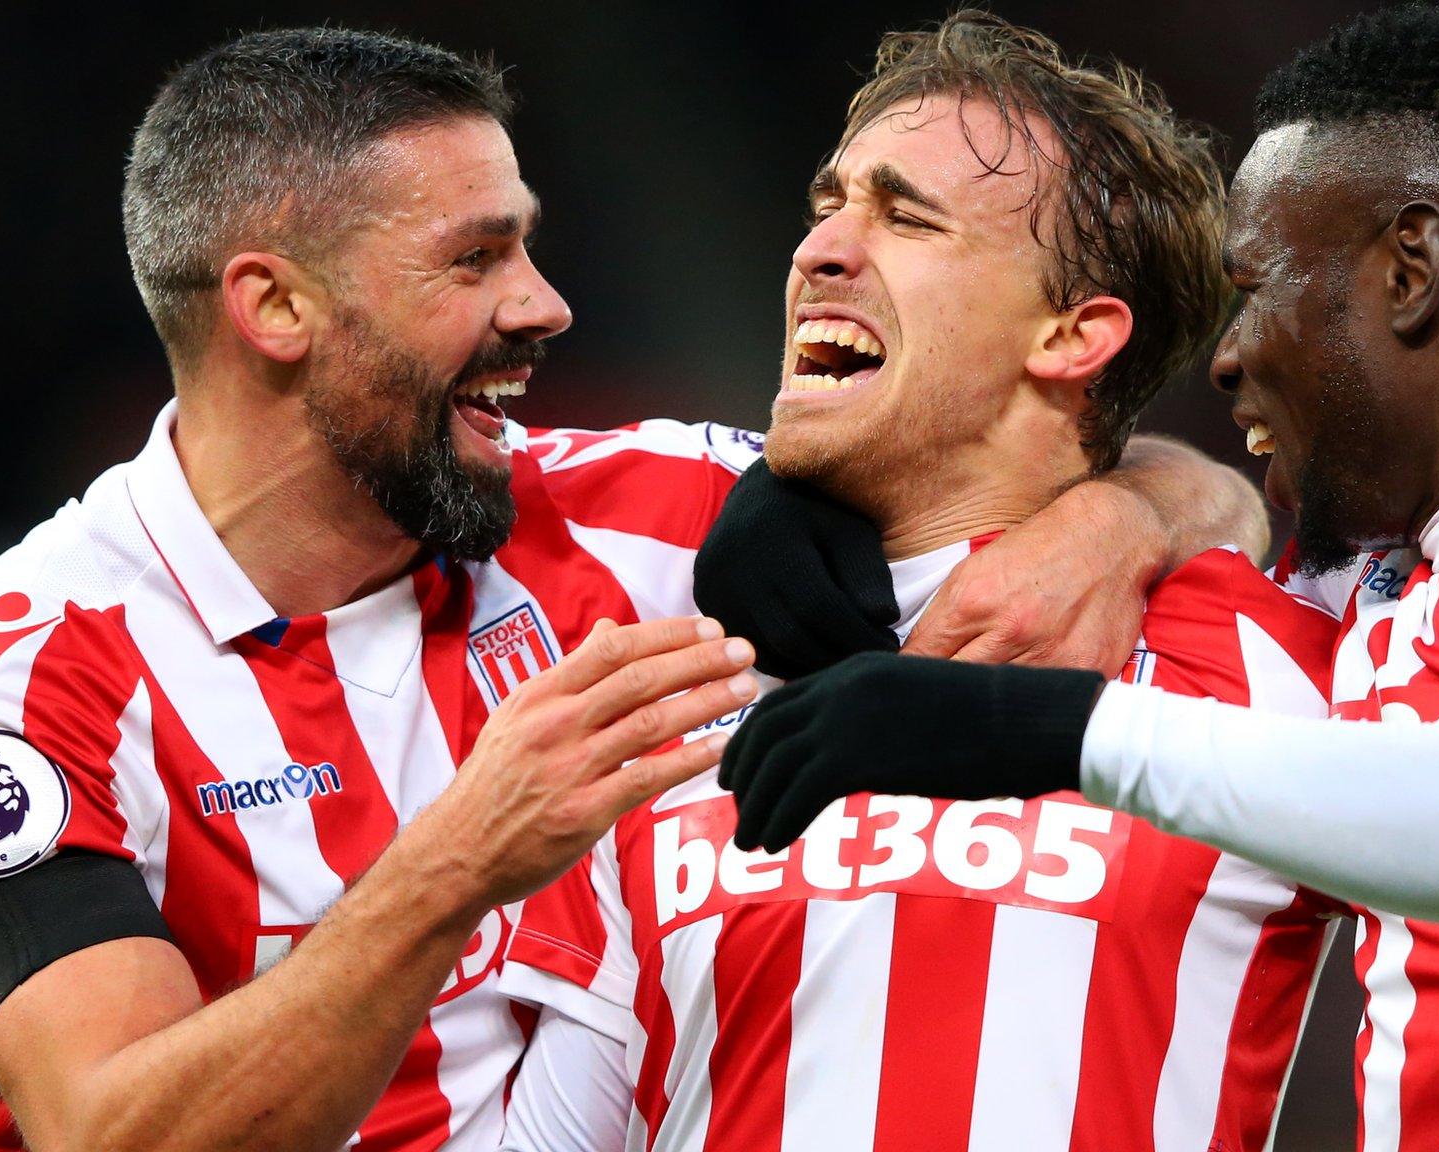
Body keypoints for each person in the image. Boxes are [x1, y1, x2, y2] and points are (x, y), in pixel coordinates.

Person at [0, 26, 1249, 1152]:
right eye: (474, 261)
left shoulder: (648, 516)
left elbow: (1015, 443)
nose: (546, 306)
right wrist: (468, 854)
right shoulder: (26, 662)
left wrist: (1125, 518)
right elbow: (110, 1138)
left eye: (527, 246)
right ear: (275, 308)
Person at [723, 6, 1439, 1149]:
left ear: (1409, 270)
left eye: (1255, 290)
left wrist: (1057, 729)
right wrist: (819, 492)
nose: (1229, 358)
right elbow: (1210, 523)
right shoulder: (1399, 589)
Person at [491, 14, 1346, 1151]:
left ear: (1073, 335)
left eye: (904, 217)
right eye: (826, 207)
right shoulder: (658, 671)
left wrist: (1146, 506)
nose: (820, 251)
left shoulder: (1294, 667)